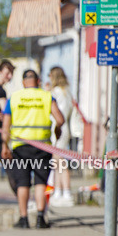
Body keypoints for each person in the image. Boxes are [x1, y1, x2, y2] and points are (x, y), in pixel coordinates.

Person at [1, 69, 64, 229]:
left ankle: (23, 219)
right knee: (40, 182)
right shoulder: (47, 96)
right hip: (42, 147)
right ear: (38, 81)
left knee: (22, 183)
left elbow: (5, 126)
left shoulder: (14, 98)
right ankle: (40, 218)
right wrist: (57, 129)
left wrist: (4, 146)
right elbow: (60, 119)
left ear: (23, 83)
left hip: (20, 147)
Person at [48, 66, 75, 207]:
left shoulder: (56, 92)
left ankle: (65, 192)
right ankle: (59, 191)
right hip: (65, 128)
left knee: (60, 162)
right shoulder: (67, 92)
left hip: (57, 128)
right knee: (58, 161)